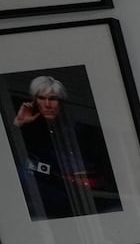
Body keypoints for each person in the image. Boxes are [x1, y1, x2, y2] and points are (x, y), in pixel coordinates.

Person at [10, 74, 120, 221]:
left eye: (53, 99)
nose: (48, 104)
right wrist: (18, 123)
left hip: (96, 204)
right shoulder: (28, 136)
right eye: (41, 98)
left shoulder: (83, 131)